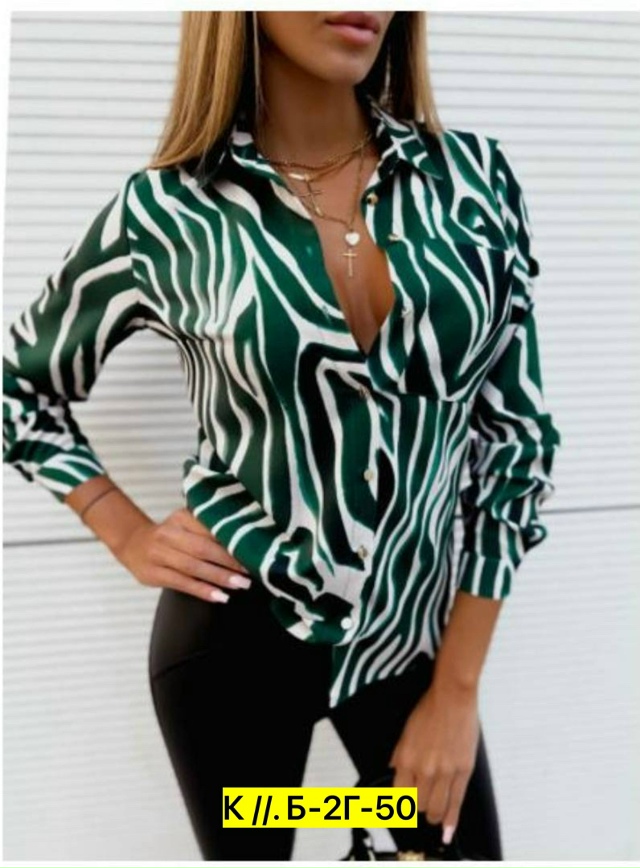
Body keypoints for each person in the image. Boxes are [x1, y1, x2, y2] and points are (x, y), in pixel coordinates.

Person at [3, 10, 562, 862]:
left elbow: (516, 443)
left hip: (412, 643)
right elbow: (20, 387)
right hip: (231, 646)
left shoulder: (473, 183)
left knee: (454, 847)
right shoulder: (166, 212)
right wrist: (125, 530)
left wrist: (457, 690)